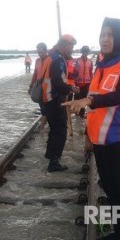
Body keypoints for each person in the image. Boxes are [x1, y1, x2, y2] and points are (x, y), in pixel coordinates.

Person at [62, 17, 120, 240]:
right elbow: (94, 97)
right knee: (109, 188)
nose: (105, 39)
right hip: (100, 139)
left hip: (119, 140)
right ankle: (119, 236)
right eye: (102, 34)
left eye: (110, 34)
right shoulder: (102, 64)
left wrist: (87, 102)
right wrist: (84, 116)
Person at [41, 34, 80, 172]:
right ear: (64, 45)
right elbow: (58, 83)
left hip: (47, 100)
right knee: (61, 131)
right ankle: (54, 162)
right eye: (71, 46)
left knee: (54, 130)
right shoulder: (58, 60)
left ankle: (51, 157)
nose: (72, 49)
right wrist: (71, 88)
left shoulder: (51, 57)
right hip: (55, 100)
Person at [28, 42, 49, 130]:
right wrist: (31, 86)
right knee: (42, 105)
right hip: (39, 88)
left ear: (45, 51)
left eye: (41, 52)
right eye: (38, 52)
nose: (39, 54)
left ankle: (42, 126)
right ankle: (43, 124)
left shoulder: (50, 60)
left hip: (48, 88)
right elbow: (35, 74)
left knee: (47, 107)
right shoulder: (37, 61)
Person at [73, 45, 94, 118]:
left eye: (86, 52)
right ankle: (76, 113)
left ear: (88, 52)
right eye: (84, 51)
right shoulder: (76, 61)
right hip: (77, 83)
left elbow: (91, 72)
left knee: (84, 98)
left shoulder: (90, 62)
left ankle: (81, 114)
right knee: (77, 98)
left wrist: (92, 82)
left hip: (86, 83)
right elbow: (72, 72)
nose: (85, 53)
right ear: (82, 52)